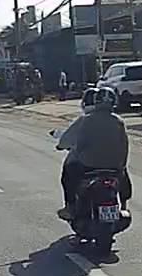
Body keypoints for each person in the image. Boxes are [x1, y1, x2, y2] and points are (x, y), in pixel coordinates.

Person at [56, 86, 131, 219]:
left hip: (88, 166)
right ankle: (124, 205)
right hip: (114, 167)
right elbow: (124, 145)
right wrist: (121, 165)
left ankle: (70, 207)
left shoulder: (85, 120)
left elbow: (71, 141)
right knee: (124, 176)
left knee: (68, 172)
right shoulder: (119, 122)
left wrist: (64, 147)